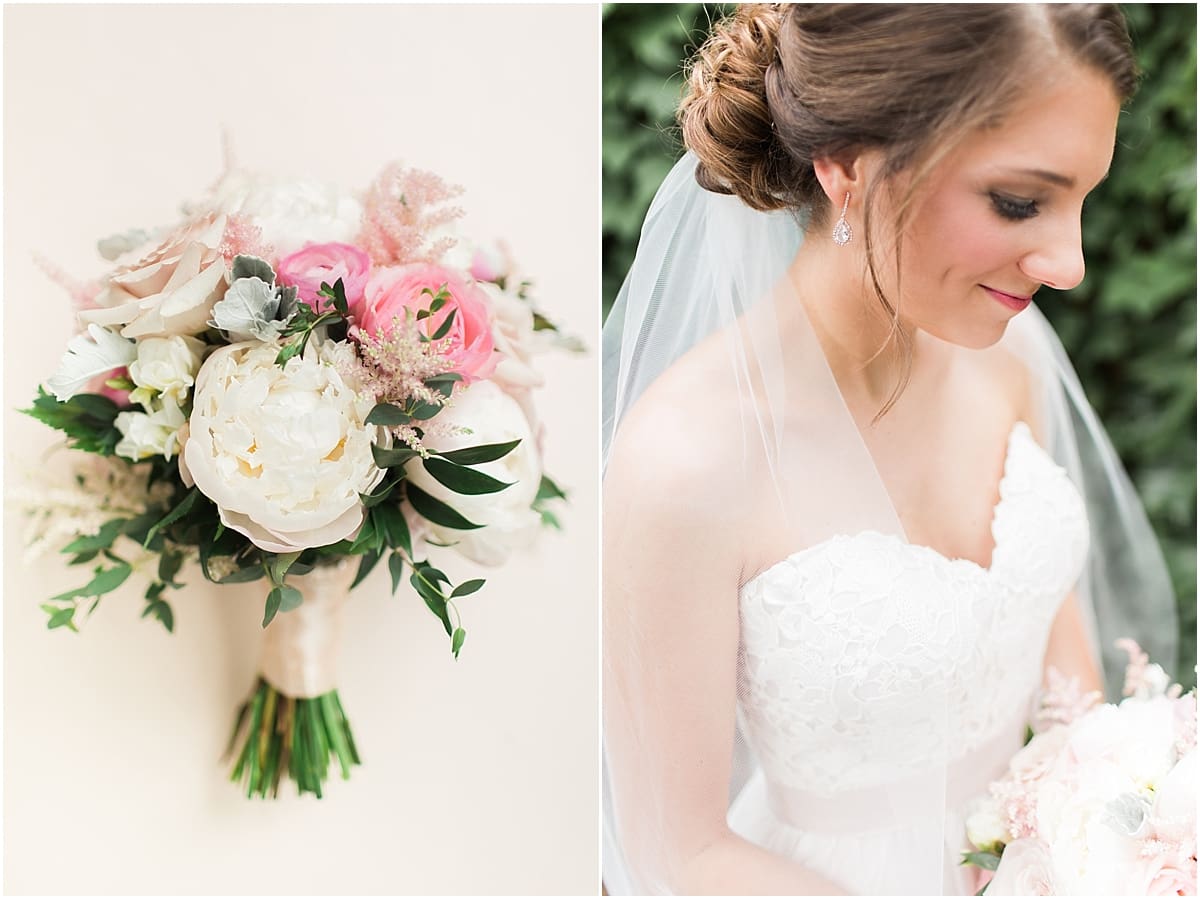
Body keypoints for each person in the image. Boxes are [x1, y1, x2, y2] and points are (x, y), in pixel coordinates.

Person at [602, 4, 1179, 895]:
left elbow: (1061, 672)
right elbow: (679, 852)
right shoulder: (690, 460)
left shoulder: (1009, 352)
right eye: (1020, 201)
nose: (1069, 263)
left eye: (1082, 199)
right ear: (849, 167)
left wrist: (1122, 836)